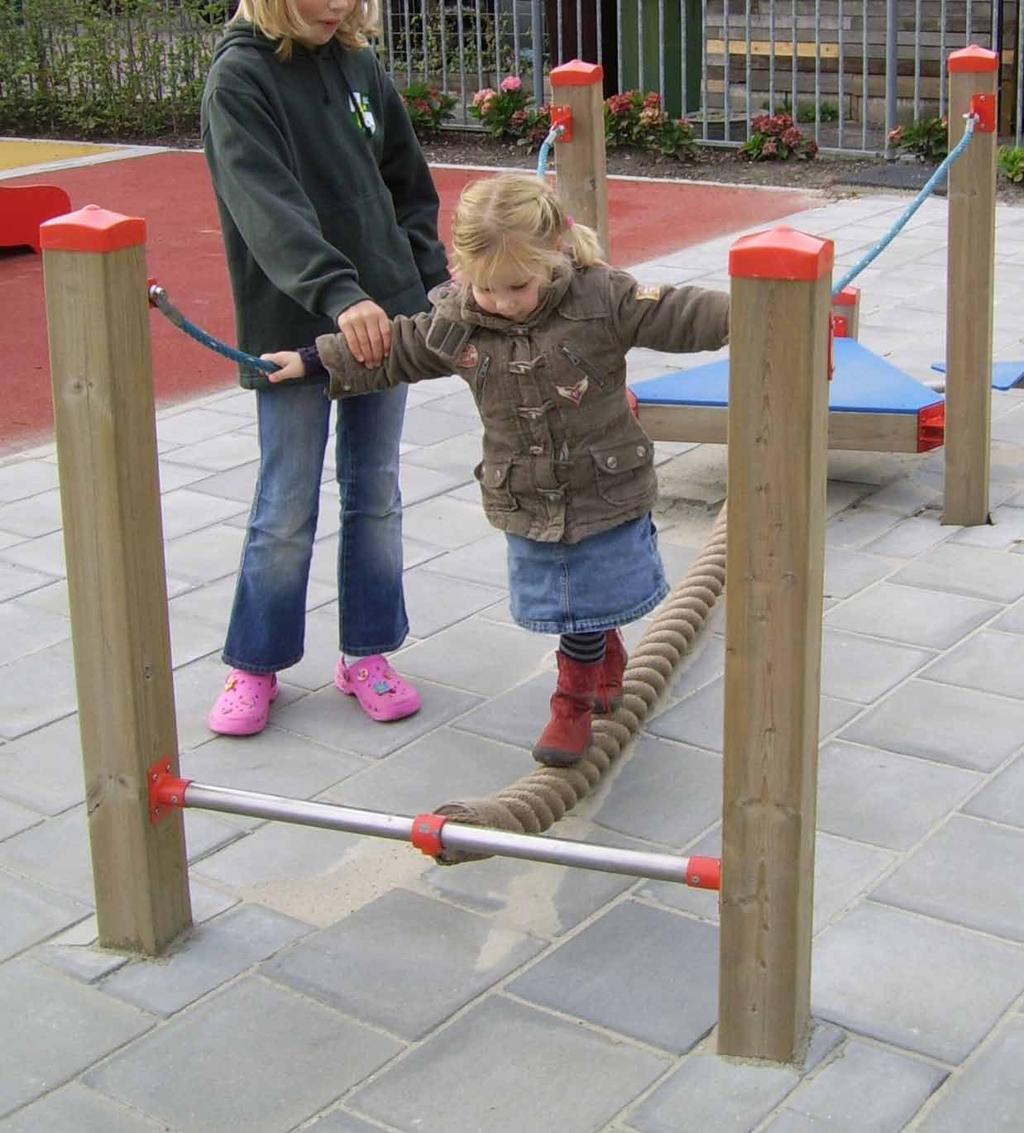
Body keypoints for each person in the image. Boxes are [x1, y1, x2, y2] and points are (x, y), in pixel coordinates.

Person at [262, 173, 729, 766]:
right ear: (460, 271)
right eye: (488, 289)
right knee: (566, 597)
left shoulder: (600, 298)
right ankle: (602, 655)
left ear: (554, 256)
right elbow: (398, 350)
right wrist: (307, 362)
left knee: (589, 590)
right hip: (528, 493)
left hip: (603, 484)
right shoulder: (460, 319)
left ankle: (573, 701)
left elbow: (679, 314)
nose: (504, 302)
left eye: (518, 286)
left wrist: (766, 307)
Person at [200, 0, 449, 735]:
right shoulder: (239, 78)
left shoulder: (358, 63)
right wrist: (338, 292)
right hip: (293, 324)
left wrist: (427, 282)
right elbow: (267, 207)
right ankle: (255, 661)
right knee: (285, 501)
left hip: (384, 321)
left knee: (375, 492)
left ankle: (366, 651)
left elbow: (407, 180)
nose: (337, 4)